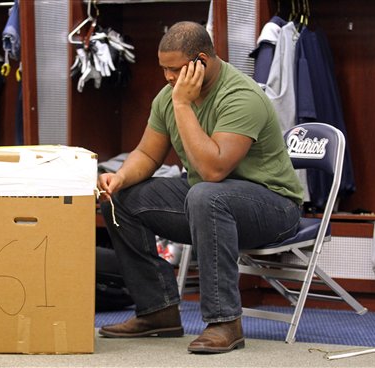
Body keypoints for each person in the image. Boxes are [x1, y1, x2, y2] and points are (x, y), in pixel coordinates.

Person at [96, 21, 304, 354]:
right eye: (163, 68)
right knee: (119, 199)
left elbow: (213, 169)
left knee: (206, 194)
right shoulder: (169, 95)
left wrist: (182, 106)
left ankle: (225, 322)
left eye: (174, 69)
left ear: (201, 61)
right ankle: (157, 311)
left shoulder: (241, 96)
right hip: (207, 201)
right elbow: (148, 153)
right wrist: (119, 178)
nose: (167, 77)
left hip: (273, 207)